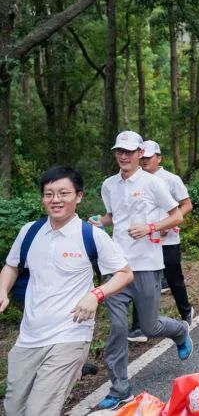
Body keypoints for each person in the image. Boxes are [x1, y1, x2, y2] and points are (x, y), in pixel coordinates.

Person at [1, 166, 132, 416]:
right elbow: (11, 266)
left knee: (39, 411)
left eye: (63, 193)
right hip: (29, 336)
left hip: (70, 333)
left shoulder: (90, 235)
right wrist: (2, 290)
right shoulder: (29, 231)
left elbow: (125, 273)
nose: (56, 200)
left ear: (78, 196)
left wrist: (95, 295)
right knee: (14, 409)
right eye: (49, 194)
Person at [90, 131, 192, 409]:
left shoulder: (154, 183)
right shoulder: (109, 185)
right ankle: (119, 389)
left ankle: (180, 331)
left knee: (149, 326)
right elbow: (114, 216)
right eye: (119, 151)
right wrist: (100, 221)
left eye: (129, 151)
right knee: (118, 328)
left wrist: (150, 227)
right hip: (116, 266)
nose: (123, 156)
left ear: (139, 154)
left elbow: (177, 215)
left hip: (147, 264)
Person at [140, 140, 194, 322]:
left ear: (159, 158)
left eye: (149, 157)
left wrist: (168, 224)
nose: (145, 160)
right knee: (142, 280)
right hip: (143, 240)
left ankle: (186, 312)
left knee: (174, 279)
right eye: (142, 157)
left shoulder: (171, 179)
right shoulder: (136, 180)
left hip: (168, 239)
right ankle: (139, 323)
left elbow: (187, 205)